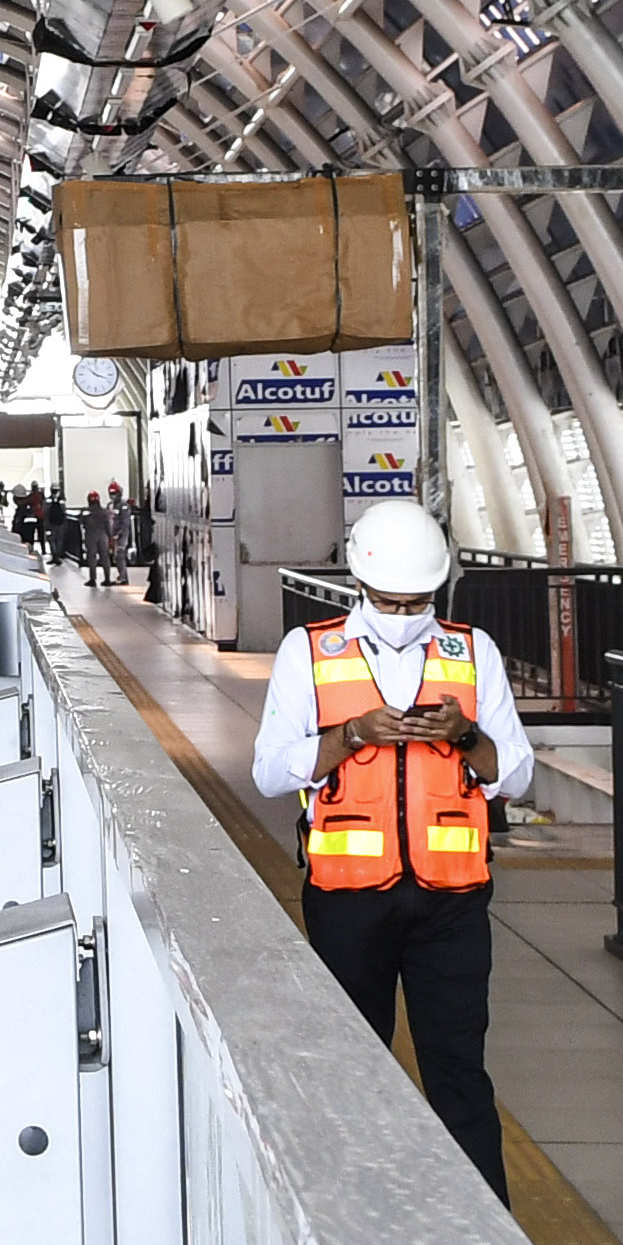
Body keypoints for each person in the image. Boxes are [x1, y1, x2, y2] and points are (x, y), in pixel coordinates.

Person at [250, 497, 535, 1192]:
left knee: (459, 1072)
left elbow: (518, 775)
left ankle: (487, 1232)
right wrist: (353, 736)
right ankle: (354, 1213)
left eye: (417, 604)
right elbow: (267, 771)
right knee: (352, 1068)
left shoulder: (473, 652)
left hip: (453, 904)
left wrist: (464, 735)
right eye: (390, 602)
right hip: (348, 902)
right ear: (360, 588)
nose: (404, 615)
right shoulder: (309, 652)